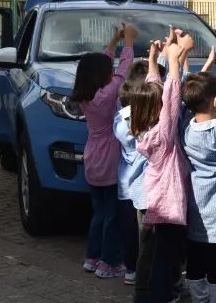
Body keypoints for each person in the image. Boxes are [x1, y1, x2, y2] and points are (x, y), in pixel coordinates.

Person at [72, 23, 138, 278]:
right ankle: (109, 262)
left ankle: (92, 256)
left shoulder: (86, 94)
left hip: (92, 158)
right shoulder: (106, 95)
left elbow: (103, 62)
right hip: (109, 158)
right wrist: (129, 42)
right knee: (112, 215)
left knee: (99, 213)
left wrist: (113, 40)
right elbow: (123, 70)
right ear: (102, 76)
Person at [133, 34, 194, 303]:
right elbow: (169, 99)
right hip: (168, 204)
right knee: (164, 256)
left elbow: (154, 89)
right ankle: (160, 296)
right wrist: (173, 63)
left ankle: (161, 292)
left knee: (161, 252)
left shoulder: (144, 129)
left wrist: (153, 61)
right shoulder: (162, 136)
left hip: (158, 200)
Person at [181, 47, 216, 303]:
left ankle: (199, 299)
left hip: (194, 212)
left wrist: (206, 68)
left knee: (196, 263)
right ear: (215, 101)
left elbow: (190, 96)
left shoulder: (186, 129)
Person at [115, 59, 166, 287]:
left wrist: (158, 57)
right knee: (145, 237)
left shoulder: (122, 116)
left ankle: (131, 270)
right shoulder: (139, 122)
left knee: (130, 233)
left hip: (126, 186)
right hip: (142, 189)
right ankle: (144, 276)